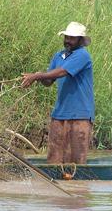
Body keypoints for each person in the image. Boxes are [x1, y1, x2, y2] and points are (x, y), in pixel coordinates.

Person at [21, 22, 94, 164]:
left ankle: (76, 187)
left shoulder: (82, 56)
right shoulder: (59, 56)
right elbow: (49, 81)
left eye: (72, 38)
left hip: (80, 114)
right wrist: (38, 76)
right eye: (66, 37)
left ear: (80, 40)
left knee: (76, 162)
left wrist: (37, 76)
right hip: (59, 114)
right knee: (54, 160)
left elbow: (62, 72)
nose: (68, 41)